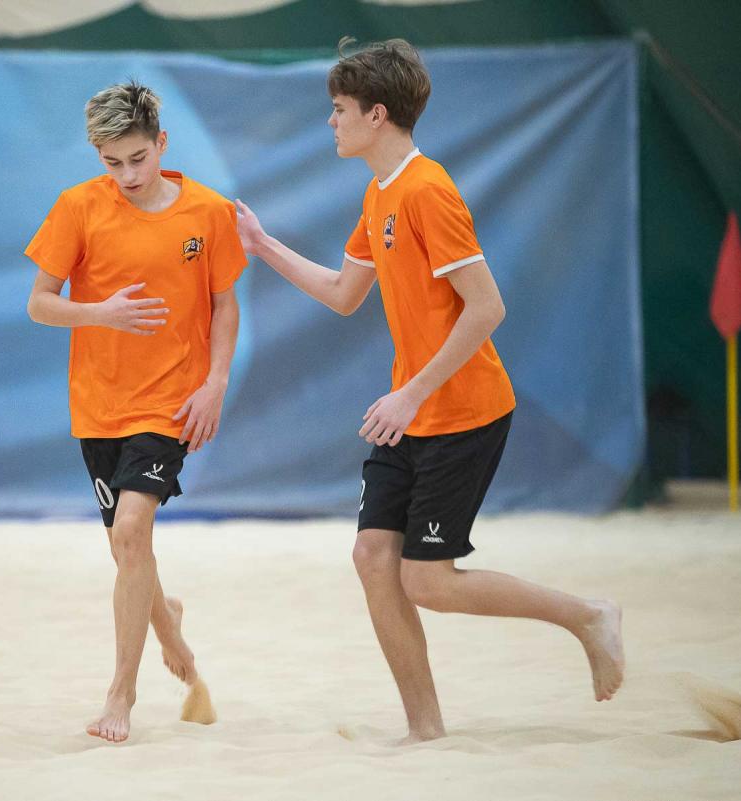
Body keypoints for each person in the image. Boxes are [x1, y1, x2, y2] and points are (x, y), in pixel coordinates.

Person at [235, 38, 624, 743]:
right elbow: (343, 292)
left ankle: (588, 616)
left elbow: (488, 307)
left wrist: (410, 393)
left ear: (377, 115)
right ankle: (426, 731)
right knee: (371, 559)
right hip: (410, 413)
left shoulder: (427, 190)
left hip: (464, 411)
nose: (331, 121)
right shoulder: (379, 191)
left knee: (428, 581)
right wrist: (262, 245)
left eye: (340, 109)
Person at [25, 81, 245, 743]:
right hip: (99, 404)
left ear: (162, 143)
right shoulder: (78, 207)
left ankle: (121, 692)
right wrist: (100, 312)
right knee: (130, 549)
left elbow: (225, 305)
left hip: (170, 401)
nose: (127, 174)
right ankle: (168, 624)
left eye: (139, 158)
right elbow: (39, 303)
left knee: (129, 530)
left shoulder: (207, 212)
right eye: (112, 161)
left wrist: (216, 383)